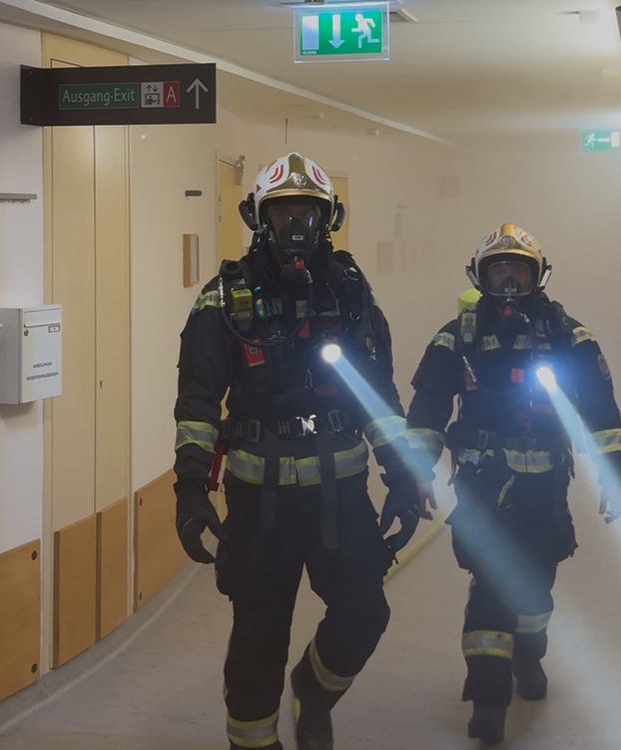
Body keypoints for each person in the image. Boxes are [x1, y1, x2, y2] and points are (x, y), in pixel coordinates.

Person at [172, 152, 428, 750]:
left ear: (327, 217)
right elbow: (198, 403)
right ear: (260, 216)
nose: (297, 226)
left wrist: (401, 474)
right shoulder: (223, 301)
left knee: (365, 614)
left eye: (308, 211)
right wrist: (190, 489)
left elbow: (380, 398)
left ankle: (312, 692)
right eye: (283, 211)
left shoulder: (353, 296)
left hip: (341, 496)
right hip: (259, 505)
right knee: (259, 637)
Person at [405, 222, 621, 744]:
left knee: (535, 593)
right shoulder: (456, 337)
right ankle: (487, 702)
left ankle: (529, 655)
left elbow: (601, 410)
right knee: (489, 589)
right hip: (482, 484)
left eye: (518, 270)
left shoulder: (570, 337)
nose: (508, 281)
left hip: (546, 485)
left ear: (538, 277)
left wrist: (613, 474)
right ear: (480, 277)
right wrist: (414, 473)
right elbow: (427, 411)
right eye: (498, 270)